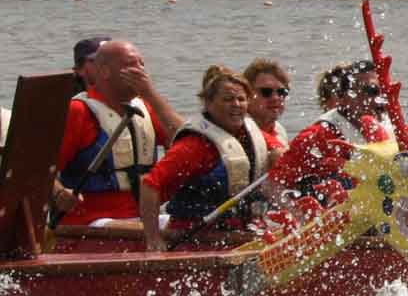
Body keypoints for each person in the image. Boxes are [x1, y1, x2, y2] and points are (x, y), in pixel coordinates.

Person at [54, 38, 186, 226]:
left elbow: (188, 141)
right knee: (149, 230)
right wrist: (59, 192)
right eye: (132, 65)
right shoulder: (78, 111)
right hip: (91, 220)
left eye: (142, 64)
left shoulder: (147, 107)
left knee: (193, 226)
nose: (141, 71)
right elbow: (38, 171)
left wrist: (150, 94)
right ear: (105, 71)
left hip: (145, 214)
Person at [139, 67, 271, 251]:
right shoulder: (194, 145)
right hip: (195, 236)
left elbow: (282, 154)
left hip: (241, 231)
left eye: (241, 99)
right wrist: (153, 238)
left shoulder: (251, 133)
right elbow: (150, 185)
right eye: (227, 99)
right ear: (208, 103)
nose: (236, 104)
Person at [267, 61, 395, 205]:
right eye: (371, 91)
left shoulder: (391, 132)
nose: (380, 100)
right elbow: (273, 185)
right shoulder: (316, 137)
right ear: (342, 97)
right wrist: (298, 214)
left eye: (385, 92)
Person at [243, 58, 294, 152]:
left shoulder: (278, 131)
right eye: (266, 92)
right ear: (247, 95)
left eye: (281, 92)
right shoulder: (242, 130)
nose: (275, 98)